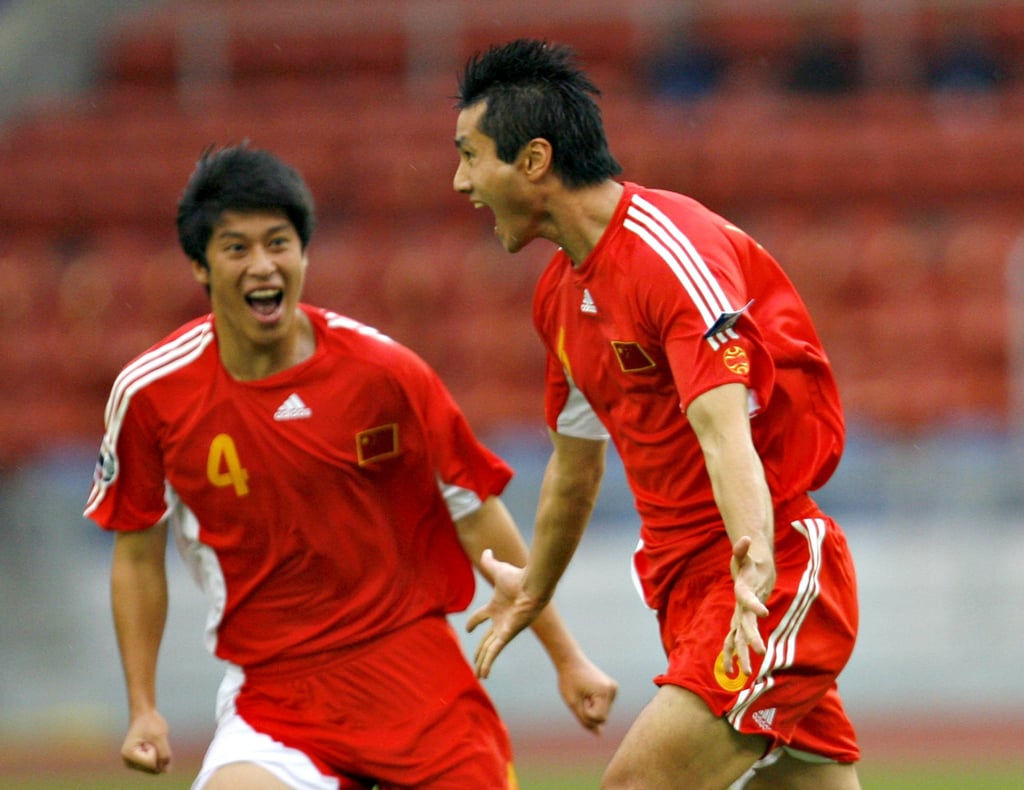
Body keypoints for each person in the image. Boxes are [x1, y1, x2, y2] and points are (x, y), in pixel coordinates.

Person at [83, 144, 617, 790]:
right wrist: (143, 708)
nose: (262, 265)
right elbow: (137, 555)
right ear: (199, 264)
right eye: (236, 248)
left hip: (418, 684)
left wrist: (569, 659)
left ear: (305, 253)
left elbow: (477, 518)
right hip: (277, 700)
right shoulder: (150, 395)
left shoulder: (386, 373)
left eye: (278, 243)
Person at [451, 39, 861, 789]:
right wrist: (536, 589)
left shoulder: (670, 252)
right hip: (686, 592)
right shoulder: (559, 296)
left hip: (762, 573)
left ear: (534, 160)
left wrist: (754, 563)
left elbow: (722, 429)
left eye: (471, 156)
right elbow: (574, 471)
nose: (460, 182)